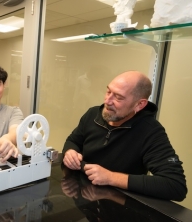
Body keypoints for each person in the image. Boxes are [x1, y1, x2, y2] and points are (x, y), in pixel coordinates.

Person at [62, 70, 187, 201]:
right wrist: (70, 151)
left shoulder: (150, 131)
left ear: (140, 104)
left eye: (118, 97)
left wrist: (111, 177)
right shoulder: (92, 114)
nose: (107, 101)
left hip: (119, 205)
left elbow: (175, 186)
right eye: (108, 91)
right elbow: (73, 140)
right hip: (84, 199)